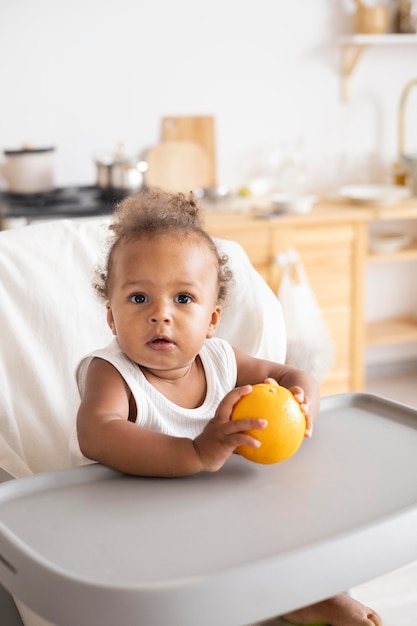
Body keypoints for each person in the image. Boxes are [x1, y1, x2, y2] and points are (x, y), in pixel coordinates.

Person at [75, 189, 382, 626]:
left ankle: (310, 595)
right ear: (111, 317)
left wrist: (302, 403)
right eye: (139, 298)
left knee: (288, 523)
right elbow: (98, 432)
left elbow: (293, 377)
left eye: (183, 299)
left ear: (212, 319)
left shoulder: (220, 359)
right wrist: (194, 454)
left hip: (216, 515)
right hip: (135, 527)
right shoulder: (112, 373)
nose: (161, 315)